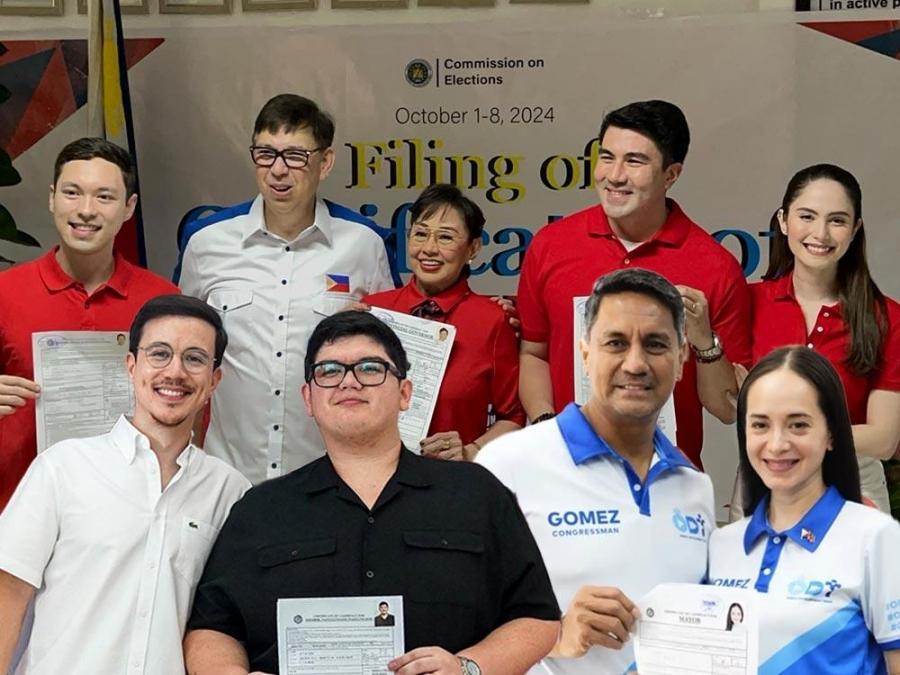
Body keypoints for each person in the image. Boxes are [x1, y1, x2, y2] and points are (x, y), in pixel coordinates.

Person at [184, 311, 560, 675]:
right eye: (329, 371)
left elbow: (537, 617)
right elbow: (211, 628)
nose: (349, 382)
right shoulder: (262, 509)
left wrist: (468, 668)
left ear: (405, 393)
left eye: (370, 368)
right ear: (308, 398)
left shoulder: (476, 494)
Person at [477, 268, 715, 675]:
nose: (635, 364)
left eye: (656, 344)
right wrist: (555, 636)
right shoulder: (507, 464)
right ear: (586, 354)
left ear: (681, 360)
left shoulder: (695, 487)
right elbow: (458, 620)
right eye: (616, 343)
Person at [0, 295, 250, 674]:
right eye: (159, 354)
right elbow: (8, 592)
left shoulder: (230, 492)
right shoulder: (63, 467)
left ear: (214, 380)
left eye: (195, 359)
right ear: (131, 366)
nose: (175, 372)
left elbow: (225, 622)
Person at [516, 99, 751, 468]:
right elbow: (533, 354)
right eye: (607, 157)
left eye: (634, 161)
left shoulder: (715, 267)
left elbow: (726, 408)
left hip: (666, 476)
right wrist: (548, 427)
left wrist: (704, 341)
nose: (615, 175)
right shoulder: (550, 245)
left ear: (671, 175)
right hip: (568, 469)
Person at [0, 137, 178, 510]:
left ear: (129, 207)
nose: (85, 210)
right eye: (72, 192)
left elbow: (190, 410)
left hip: (131, 511)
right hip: (17, 508)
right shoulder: (5, 292)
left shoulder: (164, 302)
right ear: (52, 198)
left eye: (104, 197)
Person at [708, 347, 900, 674]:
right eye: (760, 425)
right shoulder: (721, 546)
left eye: (798, 425)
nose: (777, 444)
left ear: (832, 434)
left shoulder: (876, 539)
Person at [749, 164, 900, 512]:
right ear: (783, 220)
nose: (820, 233)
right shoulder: (750, 301)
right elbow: (732, 404)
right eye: (807, 216)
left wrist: (789, 433)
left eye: (837, 220)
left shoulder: (886, 316)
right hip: (766, 476)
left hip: (853, 482)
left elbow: (883, 438)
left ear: (855, 229)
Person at [363, 184, 525, 461]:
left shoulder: (493, 321)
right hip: (373, 473)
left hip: (452, 478)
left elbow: (514, 417)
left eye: (445, 237)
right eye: (420, 234)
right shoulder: (374, 311)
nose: (429, 249)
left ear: (473, 248)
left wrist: (470, 451)